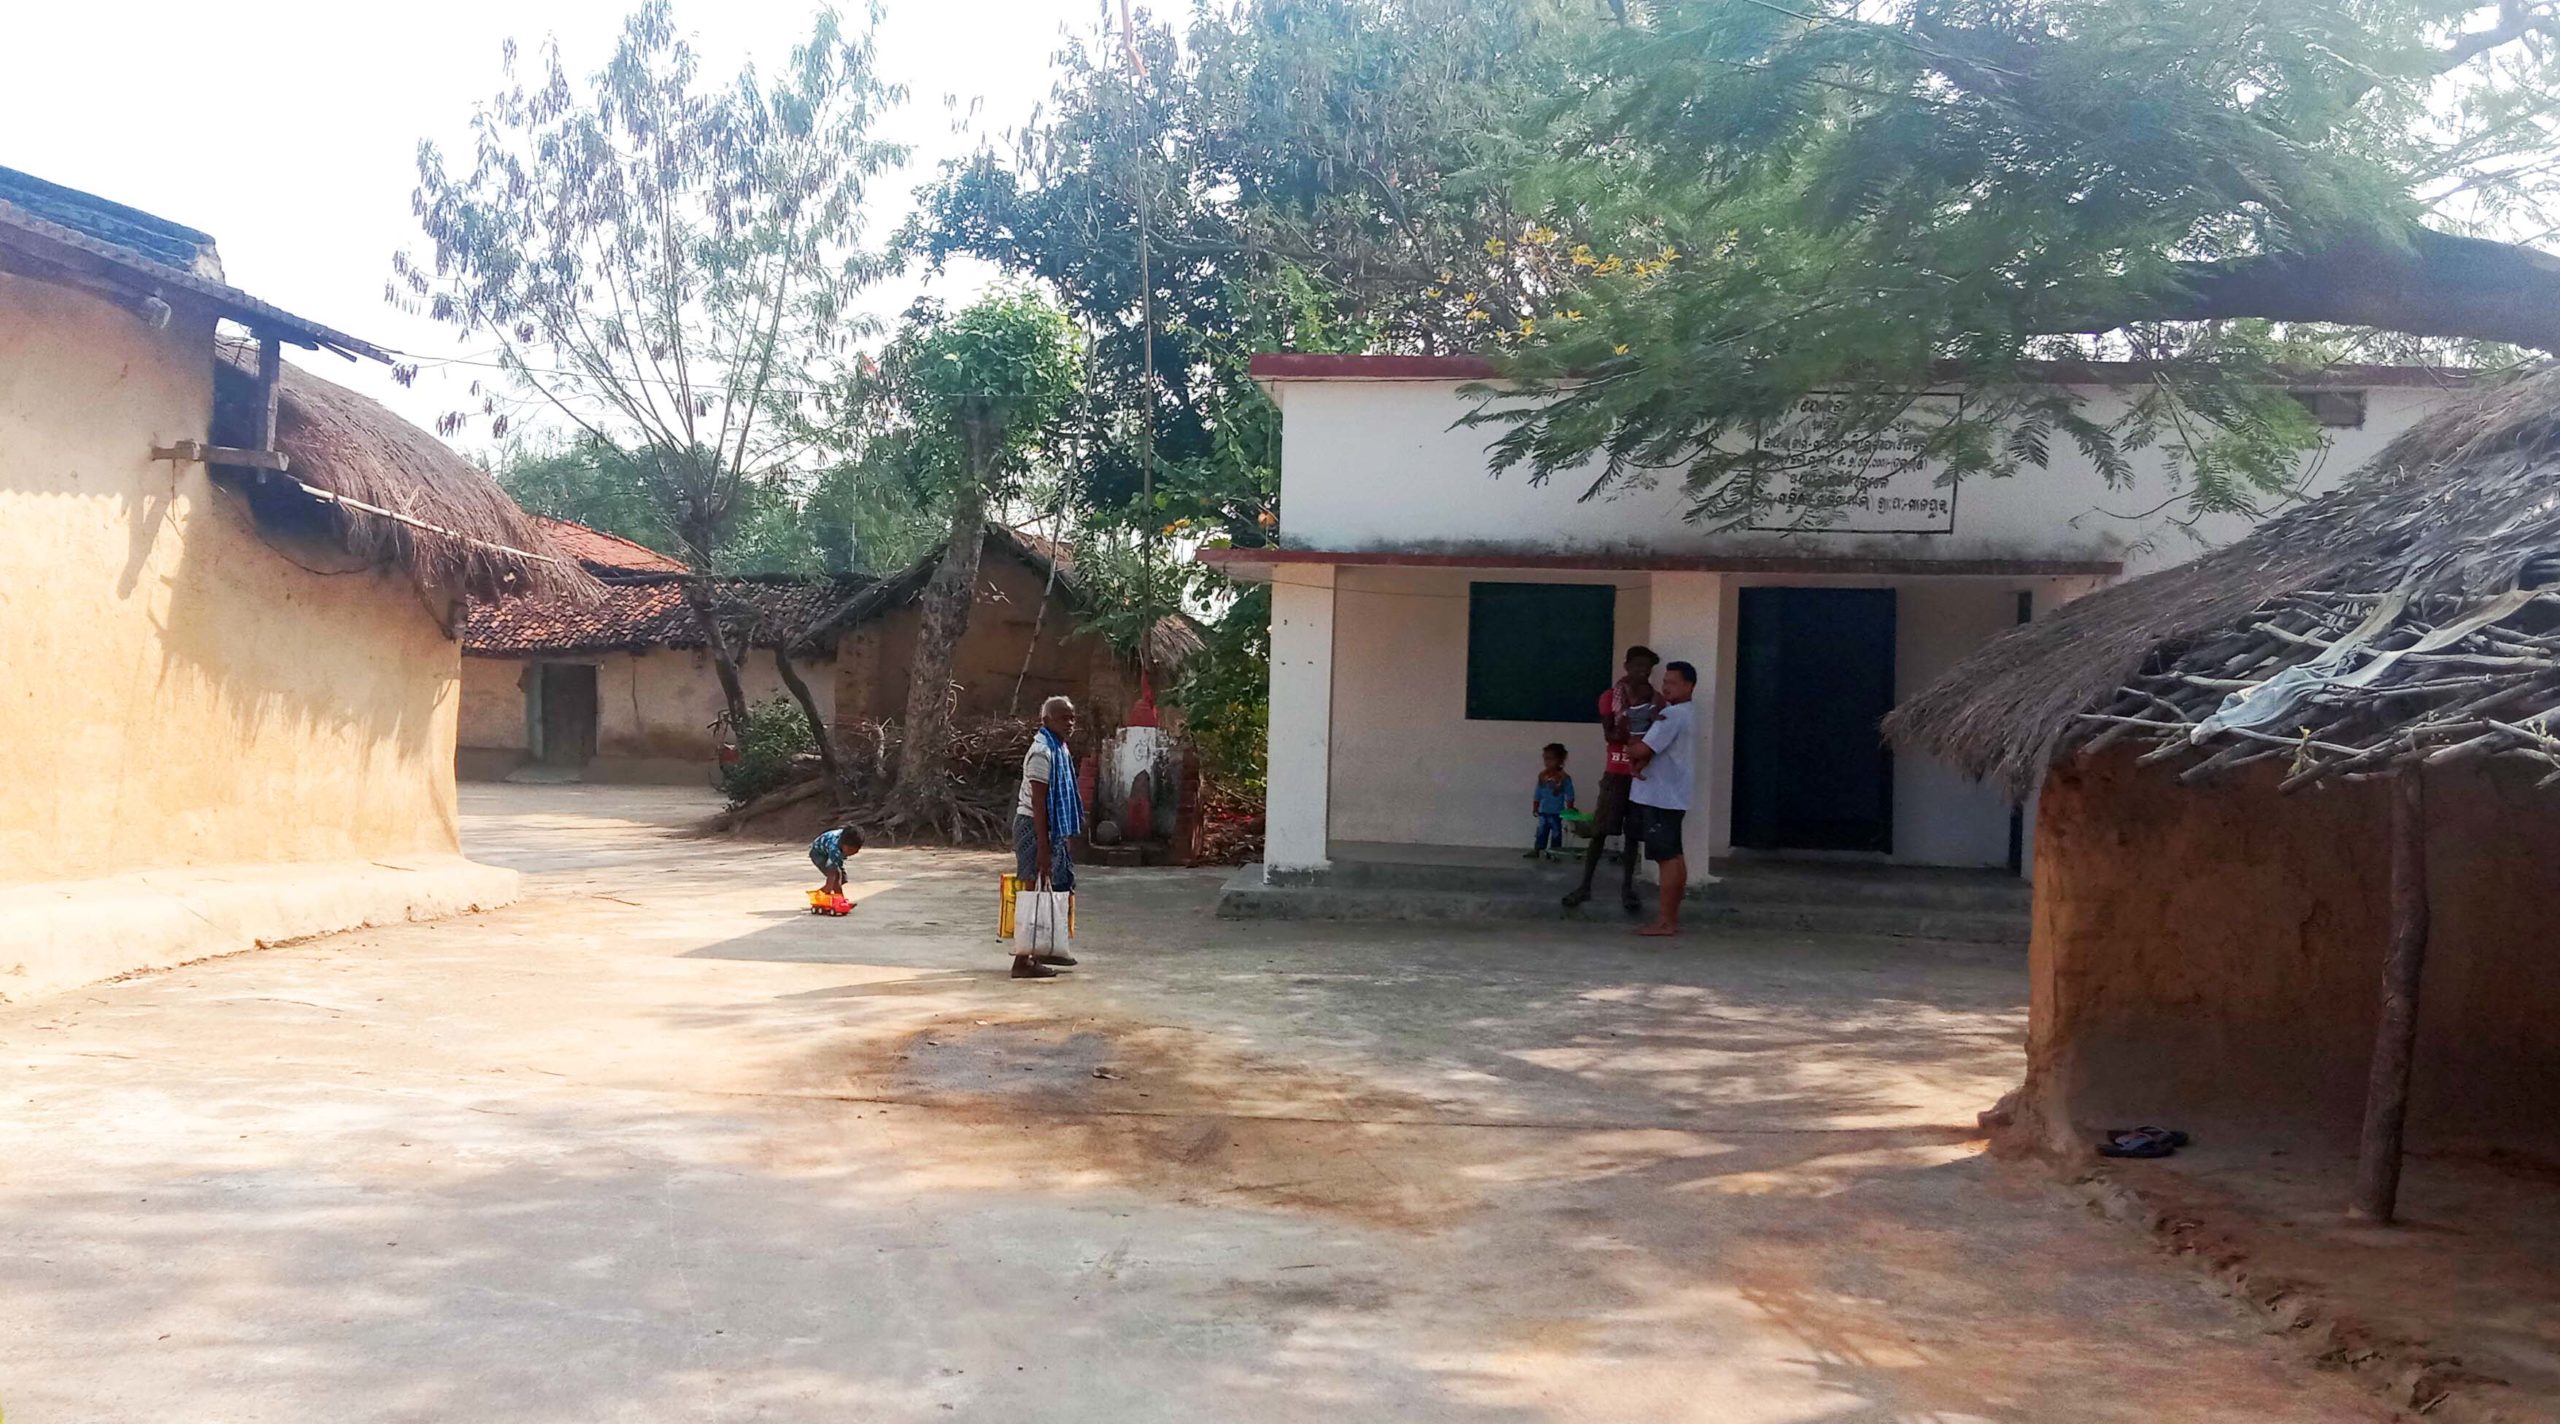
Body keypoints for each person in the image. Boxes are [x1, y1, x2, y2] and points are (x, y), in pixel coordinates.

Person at [1563, 646, 1662, 914]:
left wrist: (1635, 730)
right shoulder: (1611, 697)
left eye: (1648, 668)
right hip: (1616, 773)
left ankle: (1627, 888)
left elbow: (1657, 735)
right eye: (1638, 665)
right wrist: (1638, 730)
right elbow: (1610, 735)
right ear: (1626, 666)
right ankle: (1585, 886)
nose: (1643, 671)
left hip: (1640, 776)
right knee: (1600, 831)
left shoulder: (1656, 700)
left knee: (1633, 835)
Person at [1013, 696, 1085, 979]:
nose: (1070, 723)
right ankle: (1023, 960)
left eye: (1072, 718)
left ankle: (1044, 949)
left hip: (1049, 828)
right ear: (1046, 721)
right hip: (1034, 825)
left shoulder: (1060, 749)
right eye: (1063, 718)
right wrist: (1043, 848)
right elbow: (1040, 803)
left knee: (1053, 886)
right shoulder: (1042, 752)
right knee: (1033, 890)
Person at [1625, 659, 1698, 938]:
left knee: (1666, 859)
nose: (1666, 687)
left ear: (1689, 686)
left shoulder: (1671, 716)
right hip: (1674, 796)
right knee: (1675, 856)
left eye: (1673, 683)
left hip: (1660, 797)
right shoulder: (1686, 713)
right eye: (1665, 682)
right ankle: (1671, 919)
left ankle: (1665, 921)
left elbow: (1642, 750)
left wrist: (1631, 743)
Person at [1525, 743, 1577, 862]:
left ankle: (1555, 852)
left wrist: (1570, 808)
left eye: (1550, 759)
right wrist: (1535, 806)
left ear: (1560, 760)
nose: (1547, 762)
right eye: (1545, 759)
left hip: (1557, 812)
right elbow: (1538, 793)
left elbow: (1570, 794)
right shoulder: (1542, 776)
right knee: (1541, 831)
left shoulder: (1564, 778)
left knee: (1556, 832)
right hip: (1543, 810)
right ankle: (1538, 849)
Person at [808, 825, 862, 906]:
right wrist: (829, 885)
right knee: (836, 877)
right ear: (843, 844)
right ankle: (839, 901)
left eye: (856, 851)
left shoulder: (846, 840)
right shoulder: (834, 848)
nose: (851, 853)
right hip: (818, 853)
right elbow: (832, 871)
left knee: (842, 879)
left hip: (830, 851)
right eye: (850, 850)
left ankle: (820, 895)